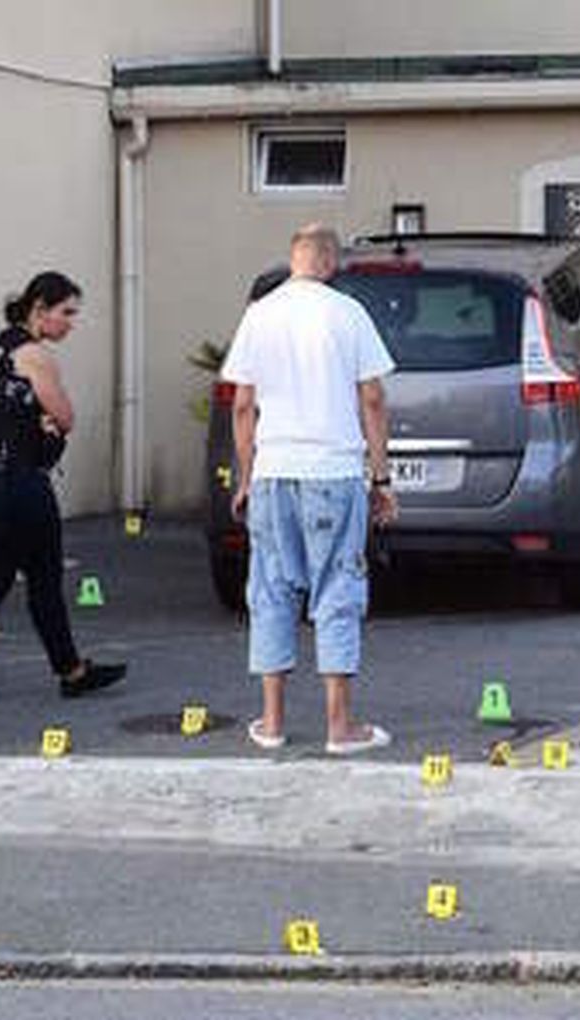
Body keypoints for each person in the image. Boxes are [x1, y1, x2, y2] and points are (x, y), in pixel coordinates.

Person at [221, 223, 398, 755]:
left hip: (275, 471)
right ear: (331, 262)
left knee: (271, 591)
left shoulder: (260, 314)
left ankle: (271, 723)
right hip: (333, 472)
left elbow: (242, 405)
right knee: (337, 591)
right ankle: (339, 728)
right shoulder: (348, 313)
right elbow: (372, 399)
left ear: (294, 258)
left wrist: (247, 476)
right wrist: (381, 476)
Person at [0, 271, 127, 703]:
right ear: (39, 308)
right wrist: (49, 428)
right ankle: (72, 672)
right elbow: (65, 417)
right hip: (18, 480)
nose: (70, 323)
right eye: (66, 313)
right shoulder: (34, 354)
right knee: (44, 578)